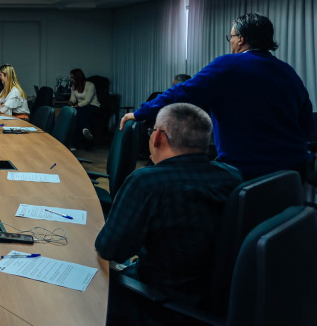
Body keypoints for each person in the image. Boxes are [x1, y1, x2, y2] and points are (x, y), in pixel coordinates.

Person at [120, 13, 314, 179]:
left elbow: (181, 93)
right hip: (293, 170)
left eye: (231, 37)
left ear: (241, 39)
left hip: (246, 171)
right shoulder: (288, 71)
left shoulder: (228, 65)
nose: (230, 42)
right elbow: (307, 123)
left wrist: (140, 113)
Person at [97, 103, 241, 324]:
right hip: (218, 299)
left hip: (157, 301)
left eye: (151, 130)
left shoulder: (146, 182)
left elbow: (110, 249)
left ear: (159, 138)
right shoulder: (232, 176)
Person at [69, 69, 100, 143]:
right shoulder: (74, 86)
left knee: (79, 112)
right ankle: (85, 131)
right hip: (81, 107)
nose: (71, 79)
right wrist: (70, 102)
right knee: (76, 113)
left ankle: (84, 130)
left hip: (93, 106)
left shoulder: (90, 85)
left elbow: (87, 101)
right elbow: (73, 98)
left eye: (73, 77)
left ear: (78, 77)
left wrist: (74, 107)